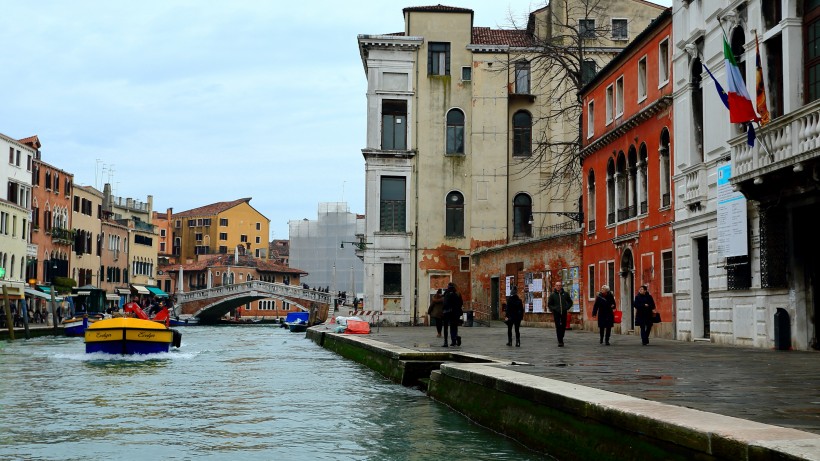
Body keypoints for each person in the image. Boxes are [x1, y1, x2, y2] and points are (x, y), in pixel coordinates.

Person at [547, 280, 573, 347]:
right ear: (555, 286)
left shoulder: (565, 294)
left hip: (564, 312)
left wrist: (566, 307)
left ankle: (561, 336)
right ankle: (560, 341)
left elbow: (570, 302)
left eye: (559, 285)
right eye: (557, 285)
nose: (558, 287)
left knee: (563, 326)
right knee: (558, 326)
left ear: (561, 286)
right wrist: (554, 309)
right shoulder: (553, 295)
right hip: (556, 313)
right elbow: (549, 304)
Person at [441, 282, 463, 347]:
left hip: (447, 312)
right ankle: (454, 339)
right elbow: (461, 303)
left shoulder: (446, 293)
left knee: (446, 327)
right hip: (455, 312)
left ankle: (446, 342)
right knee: (454, 326)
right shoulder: (458, 294)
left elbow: (444, 303)